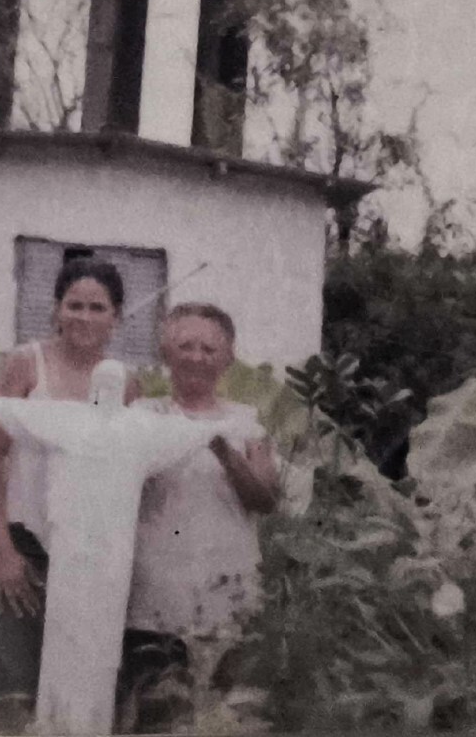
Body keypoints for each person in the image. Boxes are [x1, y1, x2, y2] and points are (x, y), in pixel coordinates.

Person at [0, 257, 140, 722]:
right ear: (56, 309)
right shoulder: (27, 364)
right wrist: (2, 548)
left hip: (91, 553)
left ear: (116, 317)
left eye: (97, 308)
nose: (84, 317)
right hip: (27, 543)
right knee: (13, 690)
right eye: (74, 305)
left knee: (81, 685)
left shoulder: (126, 383)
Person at [118, 302, 281, 733]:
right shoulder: (142, 416)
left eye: (209, 349)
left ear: (228, 358)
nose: (197, 357)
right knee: (155, 718)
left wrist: (223, 450)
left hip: (228, 598)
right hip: (153, 601)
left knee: (222, 719)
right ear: (165, 352)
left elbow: (266, 499)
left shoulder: (246, 423)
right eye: (185, 346)